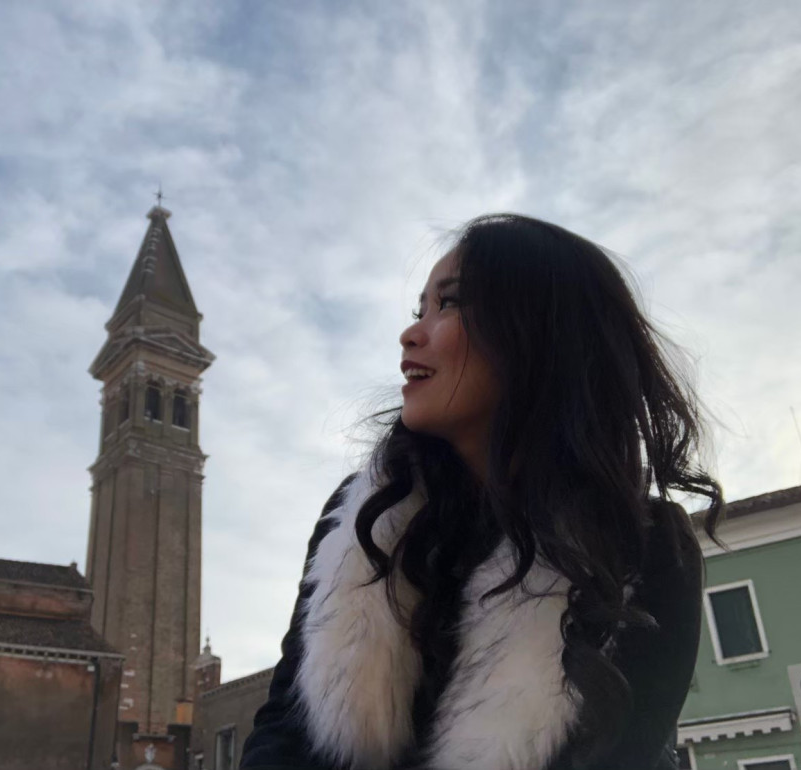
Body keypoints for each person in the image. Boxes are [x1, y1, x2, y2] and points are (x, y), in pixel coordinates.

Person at [240, 214, 723, 770]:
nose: (411, 334)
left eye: (449, 303)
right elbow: (283, 729)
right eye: (419, 310)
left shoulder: (648, 548)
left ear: (539, 331)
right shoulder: (360, 520)